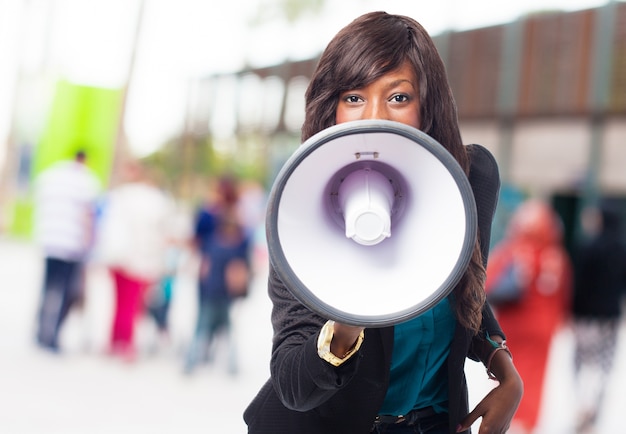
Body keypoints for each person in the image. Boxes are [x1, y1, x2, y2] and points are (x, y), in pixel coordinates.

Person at [244, 11, 523, 434]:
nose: (375, 116)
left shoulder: (468, 177)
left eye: (398, 98)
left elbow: (466, 281)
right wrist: (344, 324)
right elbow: (292, 385)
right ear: (331, 107)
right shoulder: (300, 205)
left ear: (427, 104)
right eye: (354, 98)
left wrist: (502, 366)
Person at [485, 199, 572, 433]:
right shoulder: (557, 256)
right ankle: (527, 422)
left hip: (513, 325)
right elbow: (564, 295)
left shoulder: (512, 250)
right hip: (544, 327)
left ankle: (508, 420)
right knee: (536, 377)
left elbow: (488, 284)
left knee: (509, 373)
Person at [95, 161, 175, 361]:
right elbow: (163, 232)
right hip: (140, 260)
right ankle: (127, 344)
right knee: (131, 305)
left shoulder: (119, 196)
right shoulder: (156, 201)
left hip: (117, 257)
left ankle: (115, 340)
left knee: (119, 302)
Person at [33, 150, 100, 352]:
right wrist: (90, 243)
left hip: (49, 240)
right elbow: (88, 215)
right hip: (72, 244)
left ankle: (40, 331)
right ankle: (53, 335)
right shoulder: (86, 181)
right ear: (84, 160)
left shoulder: (51, 176)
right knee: (66, 292)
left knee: (48, 288)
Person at [184, 175, 252, 375]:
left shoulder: (213, 224)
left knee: (205, 323)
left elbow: (199, 246)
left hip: (213, 286)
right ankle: (222, 362)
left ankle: (195, 360)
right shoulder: (235, 225)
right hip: (221, 288)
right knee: (225, 326)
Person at [571, 200, 626, 433]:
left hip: (586, 317)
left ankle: (583, 407)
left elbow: (579, 285)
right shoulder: (622, 249)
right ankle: (593, 412)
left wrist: (571, 313)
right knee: (603, 365)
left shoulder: (588, 246)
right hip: (610, 318)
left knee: (582, 363)